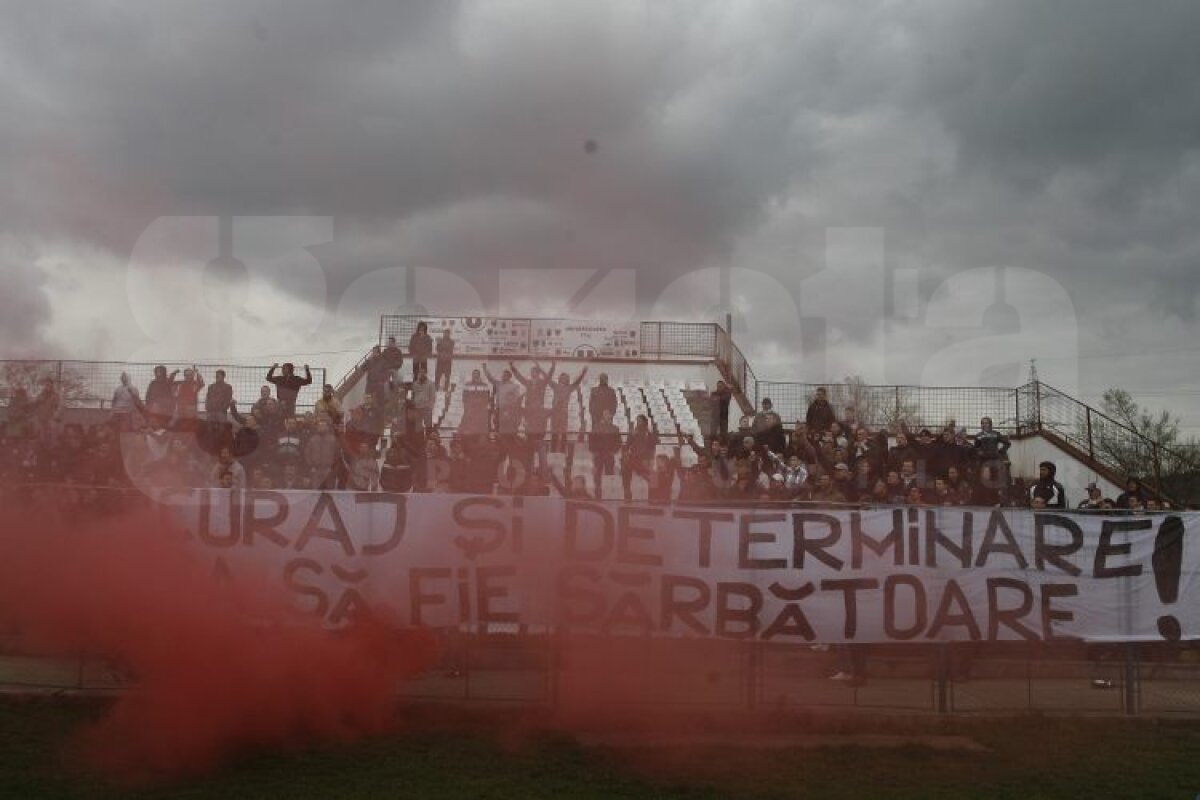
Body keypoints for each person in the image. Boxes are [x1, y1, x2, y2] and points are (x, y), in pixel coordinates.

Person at [549, 367, 588, 453]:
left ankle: (562, 451)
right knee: (554, 433)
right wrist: (551, 367)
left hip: (563, 414)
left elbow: (576, 383)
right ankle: (553, 451)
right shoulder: (555, 386)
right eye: (562, 377)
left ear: (567, 380)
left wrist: (582, 374)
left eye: (565, 378)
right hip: (555, 413)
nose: (563, 379)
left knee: (563, 433)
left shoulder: (569, 388)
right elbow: (547, 379)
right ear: (560, 378)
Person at [621, 414, 658, 501]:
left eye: (640, 421)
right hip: (634, 457)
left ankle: (653, 493)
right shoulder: (633, 433)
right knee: (626, 466)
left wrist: (648, 435)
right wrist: (632, 435)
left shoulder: (649, 434)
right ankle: (627, 491)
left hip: (645, 458)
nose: (638, 423)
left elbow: (653, 446)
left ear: (645, 422)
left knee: (630, 465)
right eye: (637, 421)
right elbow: (627, 445)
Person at [588, 409, 622, 499]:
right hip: (598, 455)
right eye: (605, 414)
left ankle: (608, 494)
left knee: (609, 474)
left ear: (611, 416)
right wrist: (594, 452)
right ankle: (597, 494)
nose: (607, 416)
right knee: (597, 475)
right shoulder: (596, 427)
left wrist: (613, 452)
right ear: (602, 416)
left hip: (609, 455)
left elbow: (618, 442)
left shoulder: (615, 428)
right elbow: (591, 441)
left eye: (608, 414)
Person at [173, 366, 205, 431]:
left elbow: (202, 383)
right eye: (186, 375)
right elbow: (169, 383)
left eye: (190, 374)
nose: (188, 376)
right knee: (181, 423)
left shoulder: (195, 383)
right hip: (181, 407)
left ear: (192, 375)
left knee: (191, 423)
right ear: (184, 375)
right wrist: (174, 373)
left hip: (191, 407)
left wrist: (197, 373)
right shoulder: (180, 383)